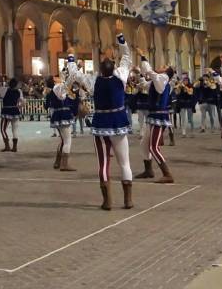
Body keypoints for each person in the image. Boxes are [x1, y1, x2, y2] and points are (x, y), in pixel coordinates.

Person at [68, 20, 134, 210]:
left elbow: (74, 74)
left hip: (100, 124)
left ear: (100, 68)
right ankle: (128, 199)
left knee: (103, 163)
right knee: (124, 163)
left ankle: (107, 201)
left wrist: (71, 57)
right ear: (113, 67)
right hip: (119, 121)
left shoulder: (93, 80)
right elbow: (127, 57)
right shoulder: (121, 75)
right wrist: (119, 35)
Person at [134, 49, 175, 184]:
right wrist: (139, 73)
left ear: (166, 72)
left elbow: (151, 73)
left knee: (153, 147)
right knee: (144, 145)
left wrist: (143, 56)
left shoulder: (163, 79)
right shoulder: (158, 81)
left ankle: (167, 173)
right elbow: (145, 84)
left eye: (164, 67)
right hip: (153, 117)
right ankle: (148, 170)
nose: (161, 67)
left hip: (159, 117)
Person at [46, 73, 75, 171]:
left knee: (63, 140)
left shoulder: (57, 88)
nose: (59, 78)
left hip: (59, 115)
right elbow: (66, 84)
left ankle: (58, 162)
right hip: (62, 115)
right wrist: (71, 74)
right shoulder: (57, 87)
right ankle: (64, 164)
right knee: (67, 141)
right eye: (56, 77)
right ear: (54, 80)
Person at [0, 77, 23, 152]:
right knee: (14, 129)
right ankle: (14, 147)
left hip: (7, 110)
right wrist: (19, 105)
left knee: (3, 129)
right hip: (15, 110)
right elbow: (22, 101)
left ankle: (7, 146)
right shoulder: (19, 91)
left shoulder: (5, 89)